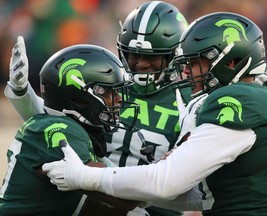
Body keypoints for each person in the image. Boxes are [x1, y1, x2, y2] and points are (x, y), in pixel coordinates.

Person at [43, 12, 267, 216]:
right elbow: (197, 195)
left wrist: (83, 176)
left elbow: (166, 182)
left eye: (195, 63)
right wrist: (134, 193)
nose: (187, 73)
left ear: (231, 62)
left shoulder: (234, 101)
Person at [4, 2, 202, 215]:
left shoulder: (191, 101)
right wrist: (23, 94)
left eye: (152, 56)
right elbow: (59, 122)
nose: (141, 65)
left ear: (174, 55)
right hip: (97, 201)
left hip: (152, 207)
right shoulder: (108, 86)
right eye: (133, 55)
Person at [0, 41, 141, 215]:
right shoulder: (58, 128)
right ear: (79, 99)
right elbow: (124, 197)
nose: (119, 99)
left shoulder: (73, 128)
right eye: (109, 91)